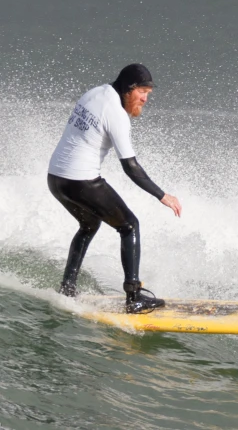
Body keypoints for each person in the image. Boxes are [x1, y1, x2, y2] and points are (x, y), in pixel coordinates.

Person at [47, 63, 182, 313]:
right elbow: (130, 167)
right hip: (80, 181)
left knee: (89, 224)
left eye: (148, 93)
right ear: (128, 89)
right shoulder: (116, 115)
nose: (145, 98)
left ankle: (67, 286)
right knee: (129, 225)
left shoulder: (95, 93)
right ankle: (134, 298)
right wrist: (162, 195)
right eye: (142, 91)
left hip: (56, 179)